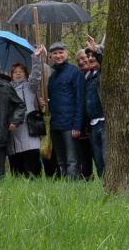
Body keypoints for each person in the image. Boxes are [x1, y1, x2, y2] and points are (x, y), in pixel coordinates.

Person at [40, 41, 87, 179]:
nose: (58, 55)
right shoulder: (53, 76)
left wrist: (77, 125)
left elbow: (80, 100)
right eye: (55, 53)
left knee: (72, 159)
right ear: (51, 56)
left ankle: (74, 185)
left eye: (61, 52)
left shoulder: (75, 72)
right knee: (61, 159)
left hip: (70, 124)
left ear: (66, 53)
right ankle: (66, 186)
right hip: (56, 124)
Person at [7, 57, 44, 176]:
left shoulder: (29, 87)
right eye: (15, 72)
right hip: (13, 126)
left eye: (20, 72)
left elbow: (36, 76)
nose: (18, 74)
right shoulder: (7, 88)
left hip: (28, 126)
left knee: (30, 154)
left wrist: (36, 58)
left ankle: (34, 178)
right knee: (16, 156)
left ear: (25, 74)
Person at [82, 38, 106, 178]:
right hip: (92, 125)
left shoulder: (105, 73)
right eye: (89, 56)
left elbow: (104, 63)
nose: (91, 58)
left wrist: (96, 50)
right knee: (98, 160)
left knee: (106, 157)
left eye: (93, 56)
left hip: (105, 122)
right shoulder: (88, 76)